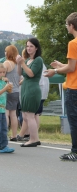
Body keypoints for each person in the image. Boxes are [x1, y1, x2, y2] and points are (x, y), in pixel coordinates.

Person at [44, 12, 77, 161]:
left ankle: (75, 151)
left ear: (71, 26)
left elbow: (71, 69)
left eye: (66, 25)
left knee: (74, 120)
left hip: (73, 87)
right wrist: (61, 65)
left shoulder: (73, 43)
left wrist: (55, 70)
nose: (66, 27)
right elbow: (73, 66)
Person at [16, 38, 43, 147]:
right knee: (26, 116)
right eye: (27, 46)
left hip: (32, 89)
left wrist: (22, 62)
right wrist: (19, 63)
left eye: (31, 46)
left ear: (36, 48)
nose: (28, 48)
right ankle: (35, 138)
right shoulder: (27, 61)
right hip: (26, 89)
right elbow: (20, 73)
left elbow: (31, 74)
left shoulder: (38, 60)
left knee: (30, 115)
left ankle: (33, 139)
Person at [3, 45, 20, 141]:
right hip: (16, 90)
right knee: (13, 114)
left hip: (8, 90)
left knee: (5, 113)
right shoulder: (18, 64)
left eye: (6, 51)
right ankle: (14, 135)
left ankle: (4, 133)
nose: (5, 53)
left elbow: (2, 75)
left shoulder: (6, 63)